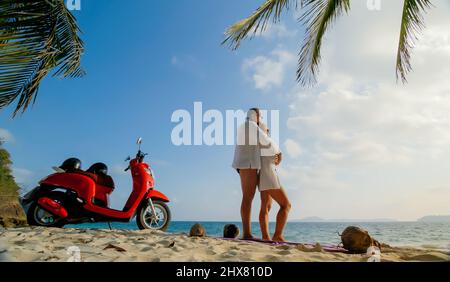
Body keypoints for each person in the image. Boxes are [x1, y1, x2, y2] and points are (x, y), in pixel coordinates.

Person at [258, 122, 291, 242]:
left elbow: (278, 156)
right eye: (267, 129)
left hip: (261, 175)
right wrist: (278, 157)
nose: (268, 131)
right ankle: (277, 235)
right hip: (269, 174)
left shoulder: (257, 143)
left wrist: (278, 157)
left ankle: (265, 237)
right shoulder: (268, 141)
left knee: (266, 206)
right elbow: (279, 155)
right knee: (286, 205)